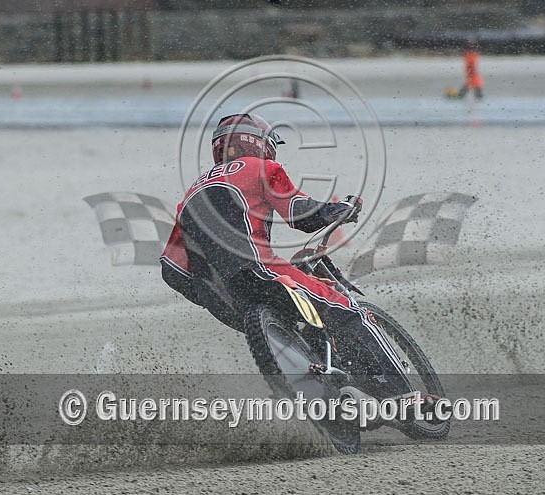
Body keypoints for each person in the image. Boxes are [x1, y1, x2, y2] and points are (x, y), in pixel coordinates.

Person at [160, 113, 408, 399]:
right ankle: (404, 395)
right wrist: (336, 210)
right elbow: (299, 213)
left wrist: (211, 293)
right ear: (259, 143)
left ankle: (327, 394)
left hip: (221, 297)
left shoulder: (190, 194)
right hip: (260, 268)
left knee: (298, 328)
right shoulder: (260, 167)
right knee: (349, 312)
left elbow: (173, 270)